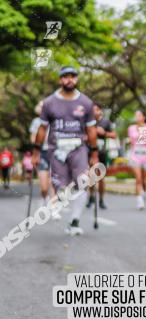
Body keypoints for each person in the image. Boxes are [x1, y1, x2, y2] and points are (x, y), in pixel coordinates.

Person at [32, 66, 98, 236]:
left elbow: (91, 130)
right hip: (57, 150)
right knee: (61, 189)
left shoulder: (86, 102)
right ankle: (62, 197)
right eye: (66, 77)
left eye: (73, 76)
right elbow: (41, 129)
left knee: (83, 183)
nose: (70, 80)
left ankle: (74, 221)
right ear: (60, 80)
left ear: (77, 79)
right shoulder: (49, 103)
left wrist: (95, 154)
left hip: (79, 149)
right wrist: (36, 152)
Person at [87, 103, 116, 210]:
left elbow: (114, 135)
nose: (94, 112)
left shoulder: (106, 122)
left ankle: (101, 200)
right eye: (92, 110)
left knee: (101, 178)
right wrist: (90, 135)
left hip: (102, 153)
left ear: (100, 111)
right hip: (89, 152)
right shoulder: (88, 122)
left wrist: (104, 133)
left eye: (96, 110)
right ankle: (91, 197)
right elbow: (82, 135)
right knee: (91, 176)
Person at [127, 111, 146, 210]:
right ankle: (139, 201)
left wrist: (144, 139)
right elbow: (131, 142)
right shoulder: (131, 128)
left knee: (144, 180)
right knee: (138, 179)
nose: (137, 117)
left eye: (139, 115)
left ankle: (145, 193)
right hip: (135, 156)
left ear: (144, 117)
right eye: (136, 115)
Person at [30, 101, 55, 204]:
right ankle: (44, 198)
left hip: (54, 152)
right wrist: (38, 143)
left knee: (54, 181)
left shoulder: (55, 121)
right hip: (42, 153)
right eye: (41, 107)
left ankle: (53, 207)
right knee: (44, 185)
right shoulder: (36, 121)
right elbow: (32, 138)